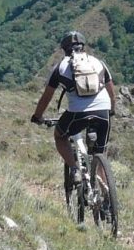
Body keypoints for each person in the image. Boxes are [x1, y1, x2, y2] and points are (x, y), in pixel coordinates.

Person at [30, 31, 116, 181]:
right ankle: (105, 194)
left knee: (60, 136)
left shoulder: (60, 67)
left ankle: (75, 169)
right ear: (83, 47)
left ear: (64, 49)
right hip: (103, 111)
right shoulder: (98, 62)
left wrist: (38, 116)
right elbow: (111, 93)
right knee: (100, 152)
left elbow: (46, 97)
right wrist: (111, 110)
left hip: (77, 113)